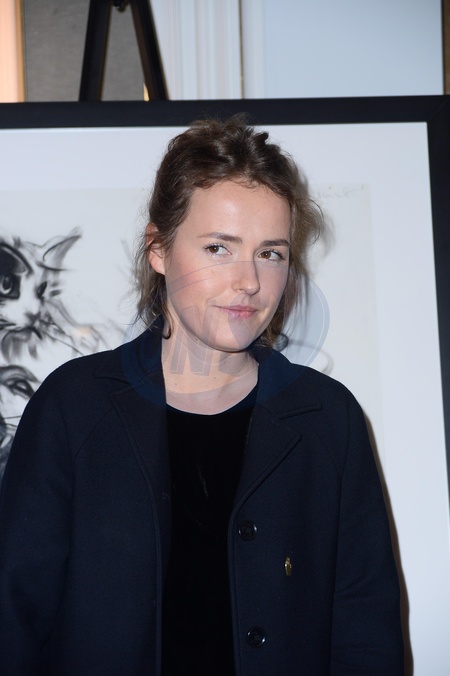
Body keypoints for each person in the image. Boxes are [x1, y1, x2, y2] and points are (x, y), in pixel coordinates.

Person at [0, 116, 404, 675]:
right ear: (158, 249)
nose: (249, 281)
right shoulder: (73, 407)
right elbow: (13, 621)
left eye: (271, 253)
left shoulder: (328, 420)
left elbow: (366, 633)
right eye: (219, 247)